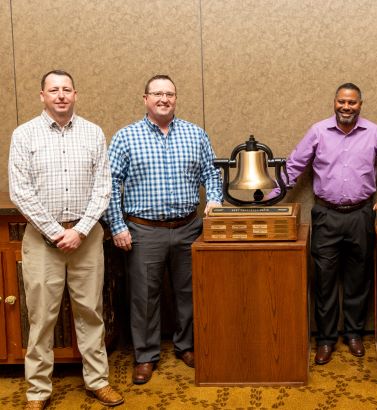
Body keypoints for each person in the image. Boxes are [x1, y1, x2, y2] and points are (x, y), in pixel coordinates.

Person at [9, 70, 124, 409]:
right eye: (53, 90)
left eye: (66, 89)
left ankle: (97, 381)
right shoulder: (24, 134)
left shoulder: (93, 133)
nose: (60, 95)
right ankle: (38, 391)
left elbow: (103, 188)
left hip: (86, 238)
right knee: (42, 317)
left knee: (91, 312)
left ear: (76, 94)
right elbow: (21, 191)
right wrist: (57, 232)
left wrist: (81, 230)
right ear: (42, 96)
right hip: (43, 240)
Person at [103, 74, 222, 384]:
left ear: (176, 99)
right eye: (157, 94)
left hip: (188, 228)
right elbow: (110, 185)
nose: (164, 99)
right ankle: (145, 356)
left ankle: (187, 346)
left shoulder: (195, 134)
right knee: (144, 297)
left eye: (169, 94)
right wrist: (117, 225)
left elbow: (211, 173)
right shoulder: (126, 137)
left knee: (189, 293)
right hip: (144, 231)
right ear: (145, 99)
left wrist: (215, 199)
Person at [278, 83, 377, 365]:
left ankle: (354, 333)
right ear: (334, 102)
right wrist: (266, 197)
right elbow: (294, 166)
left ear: (360, 104)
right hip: (326, 216)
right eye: (342, 102)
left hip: (361, 215)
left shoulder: (375, 133)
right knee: (324, 281)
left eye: (352, 103)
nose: (346, 107)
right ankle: (326, 339)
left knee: (359, 278)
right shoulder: (318, 131)